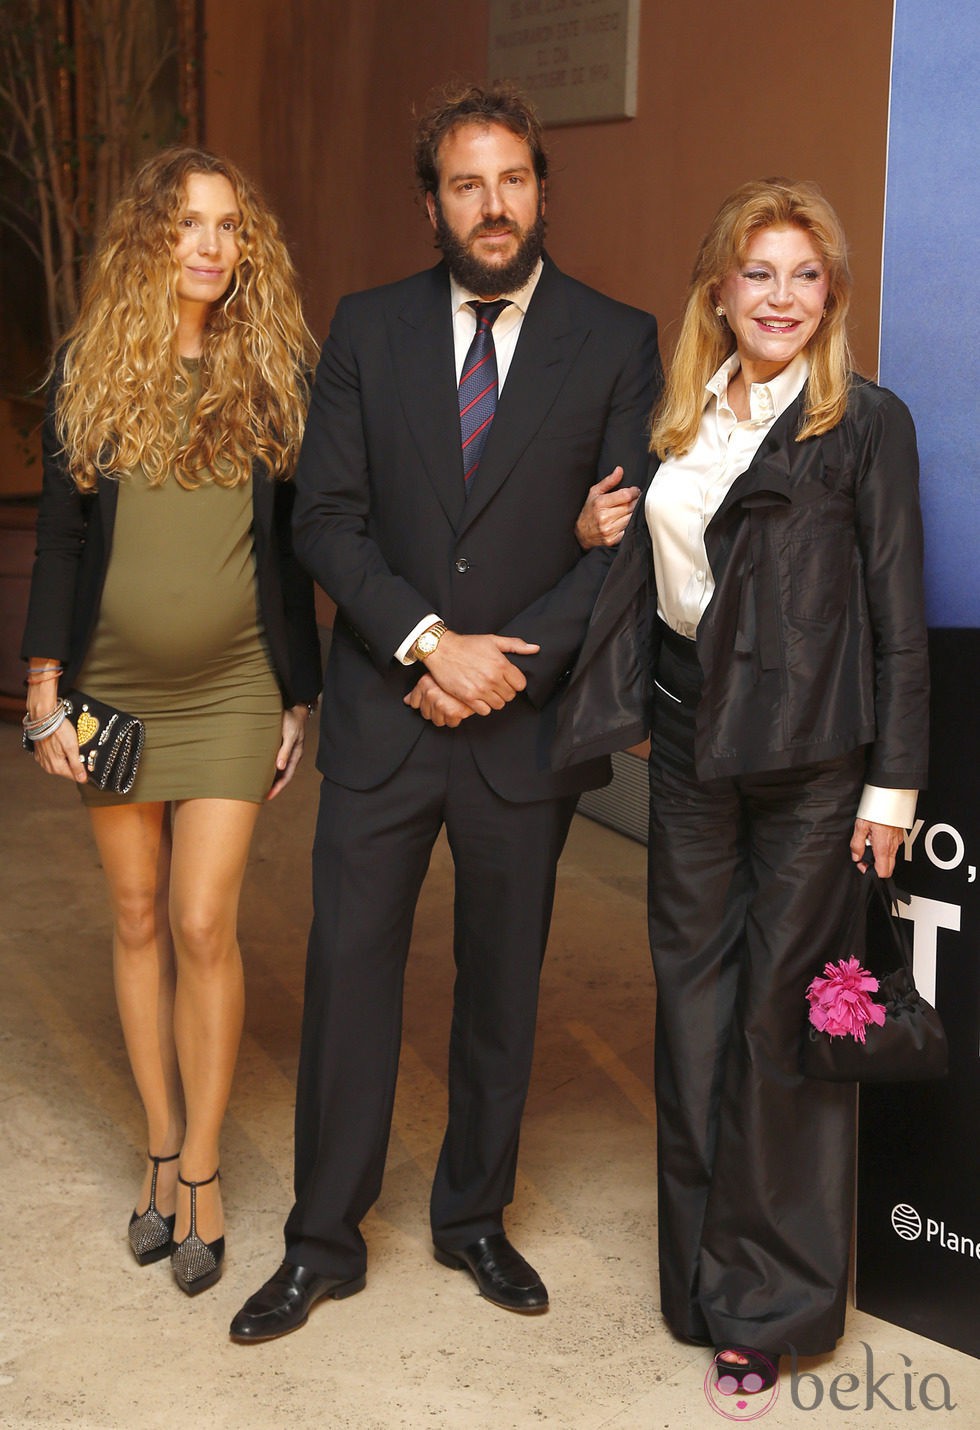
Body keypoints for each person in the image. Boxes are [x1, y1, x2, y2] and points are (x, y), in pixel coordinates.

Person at [229, 82, 661, 1343]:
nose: (491, 204)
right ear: (430, 202)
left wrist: (500, 666)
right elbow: (326, 517)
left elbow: (620, 546)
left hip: (516, 727)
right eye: (465, 184)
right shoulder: (364, 331)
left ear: (540, 189)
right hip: (384, 711)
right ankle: (322, 1236)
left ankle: (473, 1214)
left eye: (513, 179)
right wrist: (427, 642)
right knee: (347, 975)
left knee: (501, 988)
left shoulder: (615, 337)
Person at [554, 178, 929, 1390]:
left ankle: (769, 1301)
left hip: (815, 773)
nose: (778, 297)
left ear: (830, 296)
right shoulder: (673, 421)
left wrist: (890, 791)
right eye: (756, 273)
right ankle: (700, 1275)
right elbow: (666, 578)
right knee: (692, 1017)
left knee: (780, 1028)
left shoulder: (864, 424)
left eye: (803, 276)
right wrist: (594, 540)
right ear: (716, 288)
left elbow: (895, 621)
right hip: (691, 760)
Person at [21, 147, 322, 1297]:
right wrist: (45, 682)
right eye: (188, 223)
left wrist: (298, 692)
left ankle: (201, 1170)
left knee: (204, 919)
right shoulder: (90, 369)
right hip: (108, 692)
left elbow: (295, 549)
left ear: (249, 249)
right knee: (138, 913)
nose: (209, 244)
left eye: (229, 227)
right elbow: (63, 536)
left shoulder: (273, 374)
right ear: (151, 237)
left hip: (236, 682)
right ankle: (157, 1141)